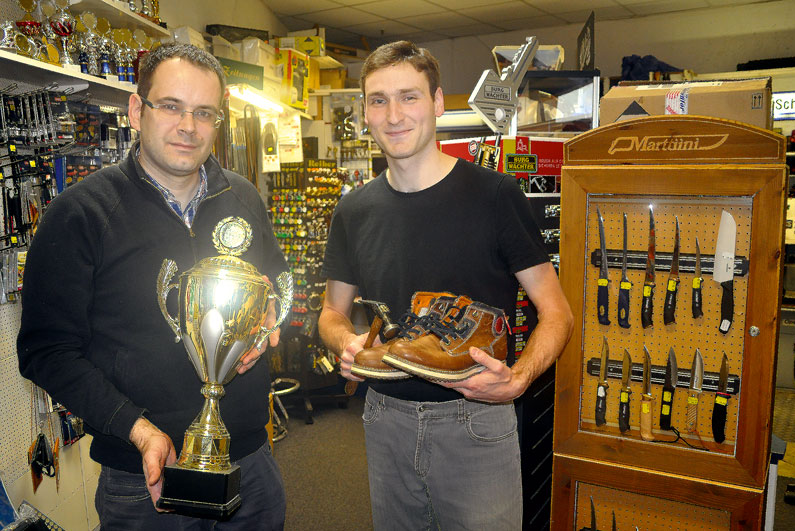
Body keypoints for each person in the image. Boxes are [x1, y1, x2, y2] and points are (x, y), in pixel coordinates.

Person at [17, 43, 287, 530]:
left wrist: (266, 325)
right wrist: (137, 430)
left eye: (204, 112)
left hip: (249, 462)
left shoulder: (243, 197)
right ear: (137, 110)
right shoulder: (79, 214)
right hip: (142, 479)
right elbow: (46, 351)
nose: (189, 126)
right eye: (172, 106)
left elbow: (274, 288)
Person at [318, 41, 574, 529]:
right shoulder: (353, 211)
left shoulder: (496, 197)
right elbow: (331, 312)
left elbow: (557, 313)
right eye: (378, 100)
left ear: (437, 103)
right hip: (385, 419)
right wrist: (345, 344)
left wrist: (518, 379)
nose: (393, 114)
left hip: (474, 420)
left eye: (409, 97)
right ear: (365, 113)